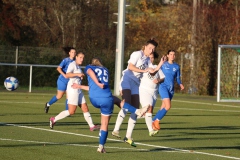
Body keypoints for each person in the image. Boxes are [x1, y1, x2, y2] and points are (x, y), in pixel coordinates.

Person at [72, 58, 150, 153]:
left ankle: (101, 147)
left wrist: (80, 86)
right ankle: (137, 111)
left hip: (94, 99)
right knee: (105, 122)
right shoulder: (106, 70)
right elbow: (95, 79)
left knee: (116, 100)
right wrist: (98, 83)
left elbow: (90, 74)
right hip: (106, 98)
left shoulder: (89, 67)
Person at [112, 38, 161, 147]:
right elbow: (130, 66)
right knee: (127, 103)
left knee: (136, 109)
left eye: (153, 49)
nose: (151, 51)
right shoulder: (137, 54)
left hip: (135, 84)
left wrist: (160, 63)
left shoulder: (148, 59)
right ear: (145, 47)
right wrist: (144, 70)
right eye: (150, 48)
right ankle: (116, 129)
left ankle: (128, 136)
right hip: (127, 80)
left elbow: (152, 72)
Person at [49, 51, 100, 131]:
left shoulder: (78, 67)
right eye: (80, 57)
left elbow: (76, 76)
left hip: (78, 89)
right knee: (71, 111)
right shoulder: (72, 64)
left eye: (83, 58)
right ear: (76, 57)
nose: (82, 59)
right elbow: (67, 75)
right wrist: (78, 75)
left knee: (85, 108)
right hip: (73, 89)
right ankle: (53, 119)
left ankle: (91, 126)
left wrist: (80, 77)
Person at [152, 50, 184, 130]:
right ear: (168, 55)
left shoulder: (177, 66)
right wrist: (157, 80)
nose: (172, 56)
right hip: (163, 87)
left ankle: (153, 121)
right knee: (168, 106)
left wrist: (180, 84)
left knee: (163, 107)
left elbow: (177, 78)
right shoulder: (164, 64)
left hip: (171, 89)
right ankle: (156, 121)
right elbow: (157, 71)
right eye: (171, 54)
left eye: (174, 54)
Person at [139, 51, 165, 136]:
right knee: (149, 108)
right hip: (144, 91)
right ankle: (151, 130)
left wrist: (159, 80)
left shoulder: (156, 67)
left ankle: (138, 113)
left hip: (154, 92)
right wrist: (161, 63)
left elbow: (163, 78)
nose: (151, 59)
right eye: (149, 57)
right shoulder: (144, 67)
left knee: (149, 111)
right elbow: (152, 71)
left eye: (152, 57)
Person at [45, 47, 76, 113]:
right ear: (69, 53)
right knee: (59, 96)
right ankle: (48, 104)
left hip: (69, 81)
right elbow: (58, 68)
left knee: (69, 96)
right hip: (62, 80)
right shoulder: (66, 60)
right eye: (72, 52)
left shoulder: (75, 62)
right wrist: (64, 75)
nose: (73, 53)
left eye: (74, 52)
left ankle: (67, 111)